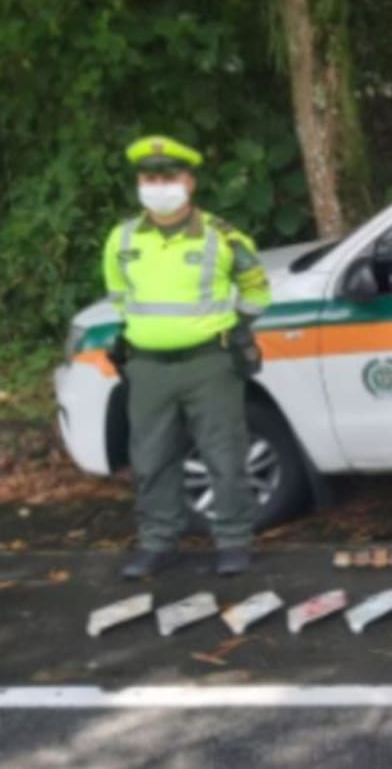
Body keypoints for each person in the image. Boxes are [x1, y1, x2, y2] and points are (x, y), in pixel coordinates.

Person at [104, 135, 271, 579]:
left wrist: (232, 327)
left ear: (189, 182)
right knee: (151, 458)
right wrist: (152, 334)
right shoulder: (121, 238)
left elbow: (257, 289)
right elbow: (119, 297)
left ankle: (234, 541)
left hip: (209, 365)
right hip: (148, 367)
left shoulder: (223, 236)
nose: (158, 186)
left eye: (168, 177)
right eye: (149, 178)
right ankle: (158, 541)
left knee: (225, 453)